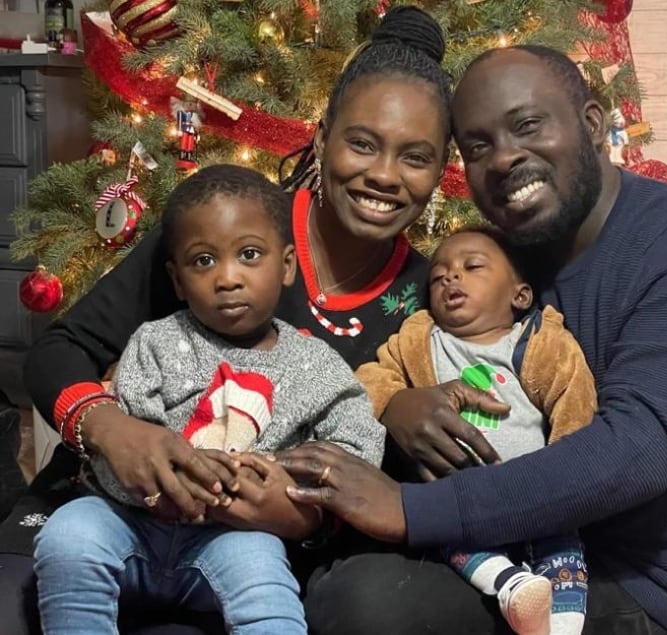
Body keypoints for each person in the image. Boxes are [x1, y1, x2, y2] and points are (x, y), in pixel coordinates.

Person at [0, 6, 468, 635]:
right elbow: (60, 351)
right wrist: (111, 429)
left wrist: (303, 517)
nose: (384, 174)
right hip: (104, 515)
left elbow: (379, 468)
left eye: (416, 157)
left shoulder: (430, 296)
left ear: (442, 169)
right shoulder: (226, 225)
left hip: (253, 558)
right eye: (361, 142)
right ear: (323, 134)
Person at [278, 44, 667, 635]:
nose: (505, 158)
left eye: (527, 125)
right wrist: (396, 406)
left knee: (359, 602)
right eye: (478, 146)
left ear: (591, 125)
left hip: (637, 581)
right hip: (509, 546)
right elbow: (416, 359)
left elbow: (637, 452)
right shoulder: (515, 252)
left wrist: (406, 511)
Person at [32, 164, 386, 635]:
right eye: (204, 261)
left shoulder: (316, 366)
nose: (228, 278)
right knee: (69, 534)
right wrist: (176, 479)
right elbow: (124, 449)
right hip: (131, 524)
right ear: (177, 281)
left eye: (249, 254)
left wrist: (298, 493)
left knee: (264, 574)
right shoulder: (154, 342)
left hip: (230, 540)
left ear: (285, 266)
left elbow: (357, 446)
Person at [355, 225, 595, 635]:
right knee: (452, 541)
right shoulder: (420, 341)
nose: (450, 276)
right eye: (439, 275)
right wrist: (395, 401)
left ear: (519, 294)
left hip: (535, 495)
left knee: (564, 554)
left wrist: (564, 481)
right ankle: (510, 586)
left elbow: (575, 404)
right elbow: (369, 382)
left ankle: (564, 624)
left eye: (472, 266)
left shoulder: (537, 341)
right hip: (458, 497)